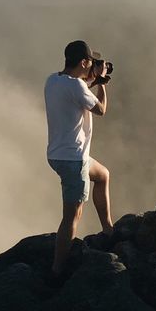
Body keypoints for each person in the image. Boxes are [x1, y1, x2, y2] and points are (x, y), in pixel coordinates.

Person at [45, 39, 114, 279]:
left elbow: (79, 91)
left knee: (103, 175)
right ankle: (57, 270)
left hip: (57, 155)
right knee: (72, 217)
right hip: (74, 160)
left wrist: (93, 80)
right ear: (84, 62)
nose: (92, 66)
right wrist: (103, 84)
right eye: (91, 63)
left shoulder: (53, 80)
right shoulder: (78, 88)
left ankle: (108, 229)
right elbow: (101, 109)